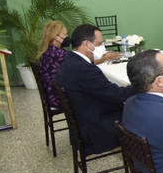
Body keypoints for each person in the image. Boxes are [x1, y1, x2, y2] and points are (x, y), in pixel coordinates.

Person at [54, 24, 135, 155]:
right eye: (99, 43)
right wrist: (138, 86)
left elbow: (102, 89)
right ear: (86, 44)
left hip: (81, 124)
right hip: (94, 130)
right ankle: (145, 165)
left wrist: (118, 89)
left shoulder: (68, 61)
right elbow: (118, 95)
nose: (103, 47)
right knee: (142, 115)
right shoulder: (85, 69)